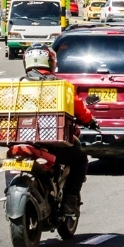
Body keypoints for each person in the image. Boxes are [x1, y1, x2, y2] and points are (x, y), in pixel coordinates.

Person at [20, 44, 95, 216]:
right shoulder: (61, 87)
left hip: (22, 138)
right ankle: (69, 201)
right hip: (52, 142)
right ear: (51, 62)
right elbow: (80, 111)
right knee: (80, 159)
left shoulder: (18, 85)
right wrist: (89, 121)